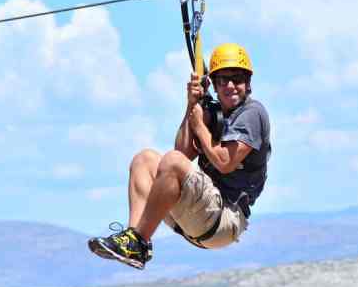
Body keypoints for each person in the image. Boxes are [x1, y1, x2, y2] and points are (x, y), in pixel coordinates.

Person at [88, 43, 271, 269]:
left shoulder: (252, 113)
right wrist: (192, 106)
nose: (230, 85)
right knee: (144, 159)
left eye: (237, 78)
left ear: (248, 82)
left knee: (172, 162)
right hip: (199, 215)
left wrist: (200, 127)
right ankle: (135, 241)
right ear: (214, 84)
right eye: (223, 80)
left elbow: (225, 162)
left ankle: (139, 239)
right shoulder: (213, 114)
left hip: (225, 218)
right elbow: (183, 152)